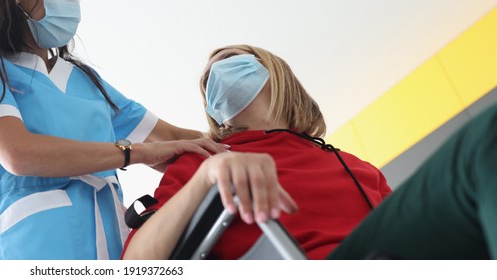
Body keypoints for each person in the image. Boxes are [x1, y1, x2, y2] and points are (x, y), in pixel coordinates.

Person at [122, 44, 497, 260]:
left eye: (233, 60)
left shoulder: (355, 166)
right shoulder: (204, 162)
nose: (216, 72)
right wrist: (206, 176)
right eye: (208, 80)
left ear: (275, 72)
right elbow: (137, 264)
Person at [0, 0, 226, 260]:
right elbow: (19, 153)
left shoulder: (85, 81)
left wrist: (253, 139)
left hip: (108, 247)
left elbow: (173, 140)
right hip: (34, 245)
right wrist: (136, 154)